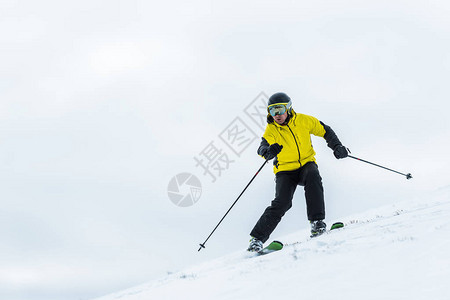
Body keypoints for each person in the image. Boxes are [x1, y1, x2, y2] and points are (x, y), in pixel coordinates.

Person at [248, 92, 349, 252]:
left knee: (313, 176)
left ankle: (317, 223)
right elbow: (261, 148)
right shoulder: (271, 130)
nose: (276, 115)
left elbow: (325, 130)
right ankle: (257, 240)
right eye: (272, 111)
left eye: (279, 110)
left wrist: (337, 146)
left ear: (288, 108)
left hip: (305, 165)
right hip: (285, 171)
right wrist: (268, 152)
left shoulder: (304, 121)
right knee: (282, 202)